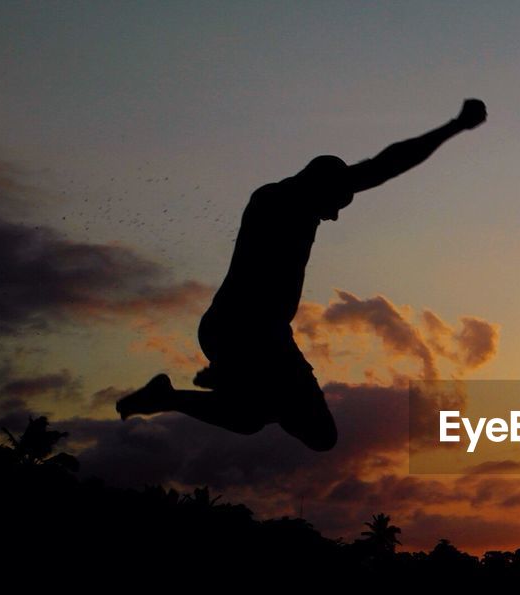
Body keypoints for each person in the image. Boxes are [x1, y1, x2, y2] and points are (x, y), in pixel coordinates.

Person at [116, 99, 488, 450]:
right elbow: (383, 166)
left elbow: (383, 165)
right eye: (337, 204)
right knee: (309, 431)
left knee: (257, 421)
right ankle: (234, 391)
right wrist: (453, 126)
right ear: (322, 188)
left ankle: (187, 396)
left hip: (248, 332)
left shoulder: (290, 199)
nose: (335, 216)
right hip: (247, 331)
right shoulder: (280, 203)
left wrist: (453, 127)